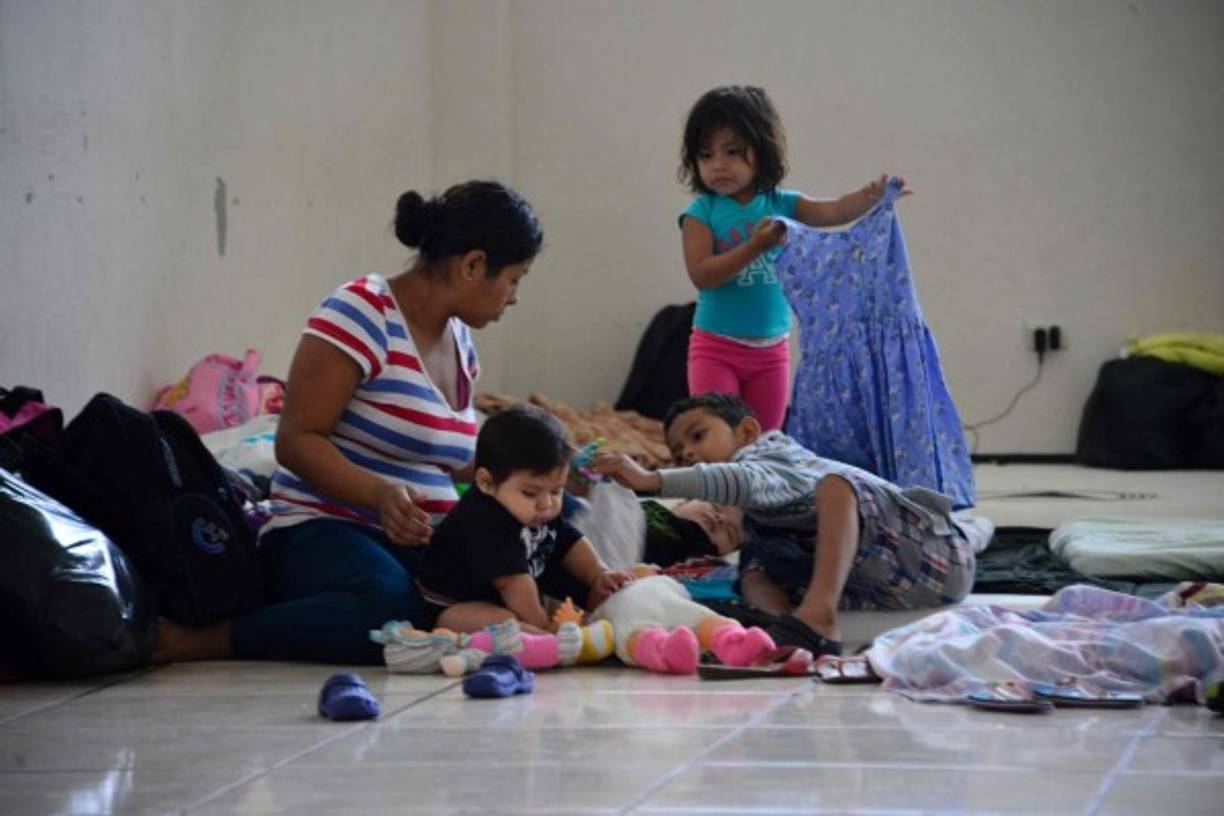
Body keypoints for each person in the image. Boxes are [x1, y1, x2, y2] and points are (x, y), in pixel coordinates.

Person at [154, 179, 543, 665]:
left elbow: (456, 460)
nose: (514, 298)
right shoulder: (362, 311)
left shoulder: (460, 340)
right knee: (390, 610)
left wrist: (536, 472)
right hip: (325, 530)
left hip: (420, 543)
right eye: (515, 279)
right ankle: (208, 641)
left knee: (524, 574)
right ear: (472, 266)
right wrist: (379, 495)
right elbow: (296, 440)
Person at [593, 393, 992, 658]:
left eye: (698, 436)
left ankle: (817, 615)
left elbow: (746, 479)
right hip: (883, 587)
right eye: (680, 454)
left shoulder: (777, 455)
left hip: (936, 561)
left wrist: (654, 480)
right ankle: (786, 633)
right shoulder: (751, 513)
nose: (690, 453)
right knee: (753, 566)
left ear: (748, 431)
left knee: (838, 488)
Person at [677, 85, 904, 430]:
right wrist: (755, 246)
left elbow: (832, 212)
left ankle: (758, 487)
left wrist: (869, 198)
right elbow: (702, 274)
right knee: (719, 438)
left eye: (733, 152)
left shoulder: (781, 203)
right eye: (706, 156)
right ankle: (721, 484)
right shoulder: (701, 211)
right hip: (715, 348)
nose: (718, 165)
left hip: (772, 352)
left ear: (763, 150)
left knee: (767, 443)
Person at [417, 404, 637, 634]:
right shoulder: (483, 519)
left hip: (513, 591)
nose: (547, 503)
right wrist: (541, 625)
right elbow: (512, 582)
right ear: (486, 482)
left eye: (556, 491)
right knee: (507, 622)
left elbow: (569, 541)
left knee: (576, 604)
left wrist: (599, 574)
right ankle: (540, 637)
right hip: (455, 604)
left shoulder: (537, 509)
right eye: (530, 493)